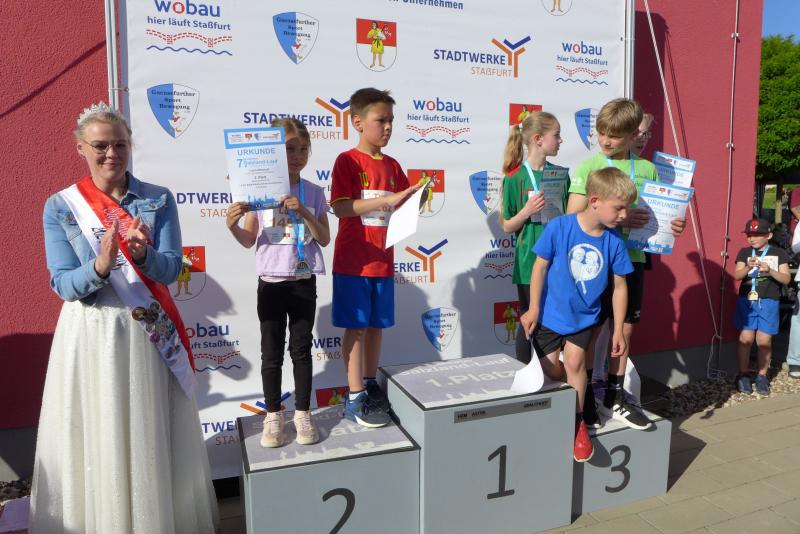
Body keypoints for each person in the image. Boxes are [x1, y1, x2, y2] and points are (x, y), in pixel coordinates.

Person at [31, 102, 218, 533]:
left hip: (147, 329)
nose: (111, 154)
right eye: (100, 146)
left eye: (120, 144)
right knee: (99, 430)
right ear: (80, 148)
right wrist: (100, 266)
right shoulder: (61, 207)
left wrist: (142, 255)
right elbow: (63, 284)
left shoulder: (157, 199)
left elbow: (172, 269)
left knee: (149, 430)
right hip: (93, 332)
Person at [566, 98, 686, 431]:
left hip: (632, 258)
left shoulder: (647, 169)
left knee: (625, 329)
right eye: (602, 132)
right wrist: (619, 219)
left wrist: (673, 225)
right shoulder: (588, 167)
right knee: (591, 330)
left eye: (614, 136)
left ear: (634, 135)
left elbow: (657, 215)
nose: (605, 141)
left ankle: (614, 395)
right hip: (595, 262)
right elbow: (572, 216)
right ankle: (587, 395)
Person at [226, 117, 330, 447]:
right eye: (289, 149)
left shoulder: (314, 192)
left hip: (303, 280)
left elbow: (324, 238)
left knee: (301, 349)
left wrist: (306, 213)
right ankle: (273, 414)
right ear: (272, 152)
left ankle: (302, 412)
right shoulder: (259, 192)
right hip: (270, 281)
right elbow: (248, 239)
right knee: (271, 352)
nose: (296, 156)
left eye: (303, 149)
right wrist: (232, 226)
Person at [520, 167, 636, 462]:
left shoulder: (614, 242)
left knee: (575, 362)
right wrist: (533, 308)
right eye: (619, 208)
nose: (624, 215)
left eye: (627, 208)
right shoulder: (560, 227)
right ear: (595, 201)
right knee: (551, 369)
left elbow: (620, 287)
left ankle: (577, 423)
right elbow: (539, 267)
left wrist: (618, 329)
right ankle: (576, 389)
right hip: (550, 315)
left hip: (584, 318)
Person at [330, 87, 423, 427]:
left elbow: (401, 206)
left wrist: (415, 198)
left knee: (375, 327)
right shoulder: (347, 161)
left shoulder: (394, 165)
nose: (387, 127)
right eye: (380, 120)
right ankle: (354, 396)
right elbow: (341, 208)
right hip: (354, 263)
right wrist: (386, 200)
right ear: (357, 122)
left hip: (383, 261)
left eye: (391, 121)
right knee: (356, 328)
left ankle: (369, 383)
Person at [499, 111, 569, 364]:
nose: (560, 140)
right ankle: (525, 372)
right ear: (538, 139)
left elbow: (568, 216)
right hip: (529, 260)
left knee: (555, 319)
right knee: (530, 318)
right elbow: (507, 226)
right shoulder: (514, 177)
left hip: (558, 259)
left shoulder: (560, 175)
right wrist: (527, 211)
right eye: (556, 135)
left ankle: (551, 373)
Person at [732, 218, 791, 395]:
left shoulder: (779, 253)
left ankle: (762, 376)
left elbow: (786, 279)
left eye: (757, 235)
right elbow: (737, 276)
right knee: (746, 339)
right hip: (747, 301)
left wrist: (770, 271)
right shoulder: (744, 252)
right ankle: (743, 375)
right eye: (749, 235)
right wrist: (747, 268)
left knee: (764, 341)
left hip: (769, 301)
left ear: (769, 235)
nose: (752, 238)